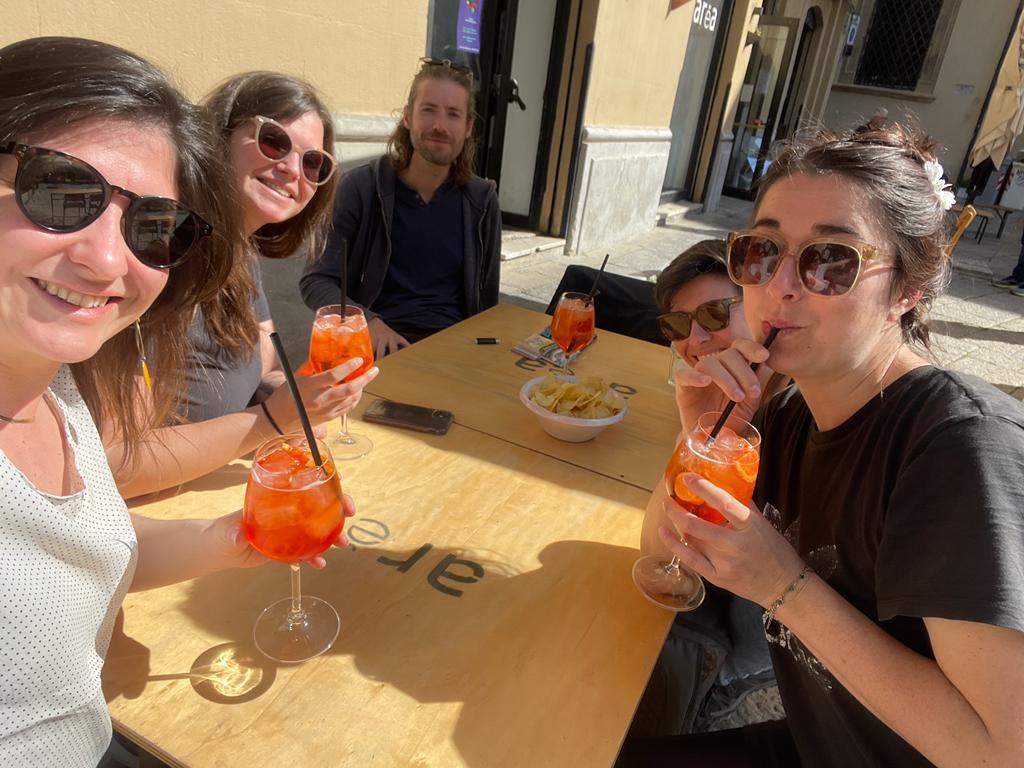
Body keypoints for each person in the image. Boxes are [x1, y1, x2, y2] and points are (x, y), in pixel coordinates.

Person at [0, 37, 354, 767]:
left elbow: (83, 546)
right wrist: (271, 422)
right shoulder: (102, 343)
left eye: (154, 227)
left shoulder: (58, 385)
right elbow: (129, 463)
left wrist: (235, 538)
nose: (106, 259)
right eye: (60, 192)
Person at [622, 126, 1024, 766]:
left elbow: (1003, 752)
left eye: (831, 260)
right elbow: (662, 556)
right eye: (762, 251)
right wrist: (697, 435)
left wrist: (785, 586)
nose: (780, 284)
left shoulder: (959, 448)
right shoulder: (783, 420)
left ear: (908, 289)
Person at [106, 71, 378, 498]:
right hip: (153, 514)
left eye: (313, 162)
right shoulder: (161, 258)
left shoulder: (240, 250)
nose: (292, 169)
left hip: (216, 489)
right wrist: (271, 420)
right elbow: (115, 463)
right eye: (273, 141)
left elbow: (265, 365)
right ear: (221, 135)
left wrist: (294, 399)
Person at [630, 240, 783, 738]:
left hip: (752, 644)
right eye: (677, 325)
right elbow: (658, 553)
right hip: (706, 598)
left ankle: (720, 693)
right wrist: (692, 433)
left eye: (715, 313)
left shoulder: (798, 415)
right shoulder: (718, 405)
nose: (694, 339)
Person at [300, 58, 502, 358]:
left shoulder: (481, 201)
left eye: (453, 114)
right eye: (428, 110)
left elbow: (486, 303)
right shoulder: (361, 188)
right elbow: (316, 281)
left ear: (468, 126)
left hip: (455, 352)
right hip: (379, 348)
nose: (440, 126)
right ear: (407, 117)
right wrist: (365, 322)